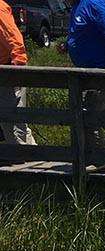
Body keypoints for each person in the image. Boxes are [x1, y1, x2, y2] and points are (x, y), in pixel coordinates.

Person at [65, 0, 105, 164]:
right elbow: (84, 34)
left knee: (89, 116)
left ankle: (99, 159)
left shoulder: (94, 4)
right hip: (89, 73)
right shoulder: (77, 7)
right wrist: (68, 46)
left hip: (102, 72)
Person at [0, 0, 36, 147]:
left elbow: (14, 37)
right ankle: (35, 156)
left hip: (8, 71)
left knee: (12, 119)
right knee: (13, 119)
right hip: (5, 70)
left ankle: (22, 159)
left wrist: (18, 68)